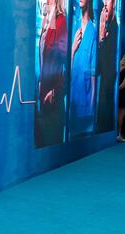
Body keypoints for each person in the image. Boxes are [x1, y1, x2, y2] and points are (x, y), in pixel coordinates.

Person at [35, 0, 68, 147]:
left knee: (50, 140)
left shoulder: (61, 21)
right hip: (43, 91)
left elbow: (64, 62)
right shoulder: (48, 20)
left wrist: (55, 91)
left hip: (53, 94)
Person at [69, 0, 97, 139]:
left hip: (85, 104)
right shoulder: (73, 26)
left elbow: (93, 77)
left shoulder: (93, 32)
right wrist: (73, 50)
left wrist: (91, 110)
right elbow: (66, 66)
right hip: (71, 99)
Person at [97, 0, 118, 133]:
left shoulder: (115, 28)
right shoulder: (105, 26)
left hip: (110, 85)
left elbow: (108, 64)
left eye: (108, 0)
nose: (105, 3)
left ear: (114, 3)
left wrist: (102, 38)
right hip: (103, 84)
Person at [117, 55, 125, 142]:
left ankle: (119, 133)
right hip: (122, 93)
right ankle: (119, 134)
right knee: (122, 113)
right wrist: (117, 89)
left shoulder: (118, 69)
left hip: (119, 93)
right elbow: (123, 84)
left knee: (120, 113)